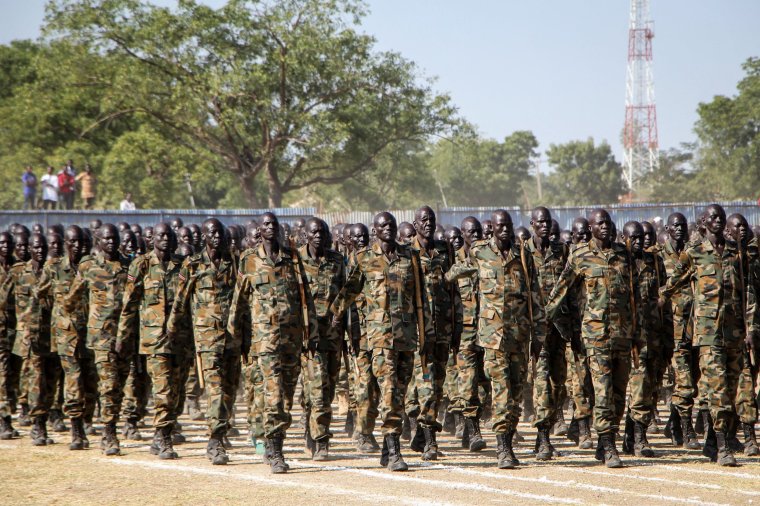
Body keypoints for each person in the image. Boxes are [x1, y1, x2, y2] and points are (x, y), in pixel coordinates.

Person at [330, 211, 433, 472]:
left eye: (391, 224)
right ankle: (395, 452)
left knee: (399, 393)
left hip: (407, 338)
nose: (388, 228)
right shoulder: (365, 259)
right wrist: (334, 316)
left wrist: (427, 333)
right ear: (375, 231)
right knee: (388, 394)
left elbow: (422, 300)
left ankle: (388, 449)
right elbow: (349, 291)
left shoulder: (410, 257)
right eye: (382, 225)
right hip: (379, 340)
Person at [447, 209, 546, 469]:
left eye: (508, 226)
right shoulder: (480, 252)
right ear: (493, 227)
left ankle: (509, 438)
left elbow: (535, 297)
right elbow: (454, 273)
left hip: (519, 336)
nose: (504, 230)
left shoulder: (523, 255)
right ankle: (503, 448)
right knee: (500, 392)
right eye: (499, 226)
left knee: (515, 393)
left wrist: (538, 335)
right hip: (493, 338)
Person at [659, 204, 756, 467]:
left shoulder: (736, 252)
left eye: (720, 217)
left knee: (736, 389)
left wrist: (751, 329)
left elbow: (748, 293)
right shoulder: (695, 252)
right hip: (708, 334)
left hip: (735, 333)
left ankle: (712, 440)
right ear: (704, 222)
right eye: (712, 217)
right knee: (717, 390)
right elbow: (673, 282)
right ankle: (723, 446)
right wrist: (659, 306)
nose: (717, 220)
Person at [228, 212, 317, 474]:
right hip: (264, 343)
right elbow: (239, 303)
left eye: (273, 224)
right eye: (265, 224)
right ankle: (275, 449)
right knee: (274, 394)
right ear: (259, 228)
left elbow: (305, 297)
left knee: (287, 396)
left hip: (292, 340)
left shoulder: (292, 258)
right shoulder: (249, 260)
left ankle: (273, 440)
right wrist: (237, 339)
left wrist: (310, 333)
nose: (270, 227)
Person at [546, 209, 635, 468]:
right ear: (592, 228)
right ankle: (608, 445)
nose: (605, 226)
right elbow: (558, 295)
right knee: (603, 393)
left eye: (607, 222)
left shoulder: (623, 254)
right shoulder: (580, 255)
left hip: (623, 335)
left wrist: (637, 333)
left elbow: (633, 298)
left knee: (619, 394)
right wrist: (560, 328)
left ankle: (604, 440)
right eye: (599, 223)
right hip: (595, 338)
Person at [117, 223, 188, 460]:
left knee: (176, 392)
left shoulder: (182, 265)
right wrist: (123, 337)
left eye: (169, 235)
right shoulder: (142, 265)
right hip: (154, 340)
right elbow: (129, 304)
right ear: (152, 240)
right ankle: (165, 438)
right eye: (161, 235)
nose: (165, 239)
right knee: (163, 390)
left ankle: (159, 436)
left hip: (179, 339)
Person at [64, 224, 132, 456]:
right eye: (107, 239)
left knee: (119, 387)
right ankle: (109, 434)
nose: (112, 243)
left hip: (125, 337)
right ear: (98, 241)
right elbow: (71, 300)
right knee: (108, 386)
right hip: (101, 338)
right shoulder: (89, 267)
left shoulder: (128, 266)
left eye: (115, 239)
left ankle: (110, 425)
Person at [36, 225, 99, 450]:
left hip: (91, 334)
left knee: (92, 383)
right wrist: (56, 317)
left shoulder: (93, 267)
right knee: (73, 380)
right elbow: (39, 293)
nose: (79, 246)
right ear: (66, 244)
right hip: (66, 335)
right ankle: (76, 427)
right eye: (74, 242)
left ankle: (86, 418)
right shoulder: (54, 267)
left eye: (83, 242)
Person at [407, 206, 454, 461]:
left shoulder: (445, 250)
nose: (428, 223)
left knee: (438, 386)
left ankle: (421, 436)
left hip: (442, 331)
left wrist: (455, 328)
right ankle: (430, 441)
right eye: (423, 220)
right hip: (420, 333)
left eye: (431, 219)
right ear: (415, 224)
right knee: (425, 384)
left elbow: (453, 291)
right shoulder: (408, 252)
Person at [298, 218, 346, 461]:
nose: (318, 235)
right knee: (317, 387)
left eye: (322, 232)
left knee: (328, 388)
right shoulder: (296, 260)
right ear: (306, 235)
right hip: (309, 336)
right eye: (314, 232)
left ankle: (312, 425)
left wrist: (342, 319)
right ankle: (321, 440)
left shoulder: (337, 261)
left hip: (333, 335)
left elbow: (346, 293)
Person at [525, 207, 569, 460]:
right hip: (535, 329)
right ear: (532, 224)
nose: (544, 225)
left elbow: (571, 290)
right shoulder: (523, 253)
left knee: (559, 383)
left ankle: (549, 426)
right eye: (539, 222)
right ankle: (543, 438)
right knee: (541, 381)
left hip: (559, 328)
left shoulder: (561, 251)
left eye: (547, 221)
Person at [658, 212, 701, 450]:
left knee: (692, 380)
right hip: (671, 329)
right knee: (683, 381)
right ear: (667, 229)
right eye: (675, 226)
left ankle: (673, 422)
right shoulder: (657, 256)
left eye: (683, 225)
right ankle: (687, 431)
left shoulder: (695, 253)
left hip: (696, 327)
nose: (680, 229)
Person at [446, 216, 489, 453]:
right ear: (462, 234)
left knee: (488, 382)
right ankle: (472, 430)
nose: (474, 235)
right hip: (464, 333)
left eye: (478, 231)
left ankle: (471, 424)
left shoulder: (490, 258)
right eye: (470, 232)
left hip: (489, 331)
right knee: (468, 382)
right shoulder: (453, 261)